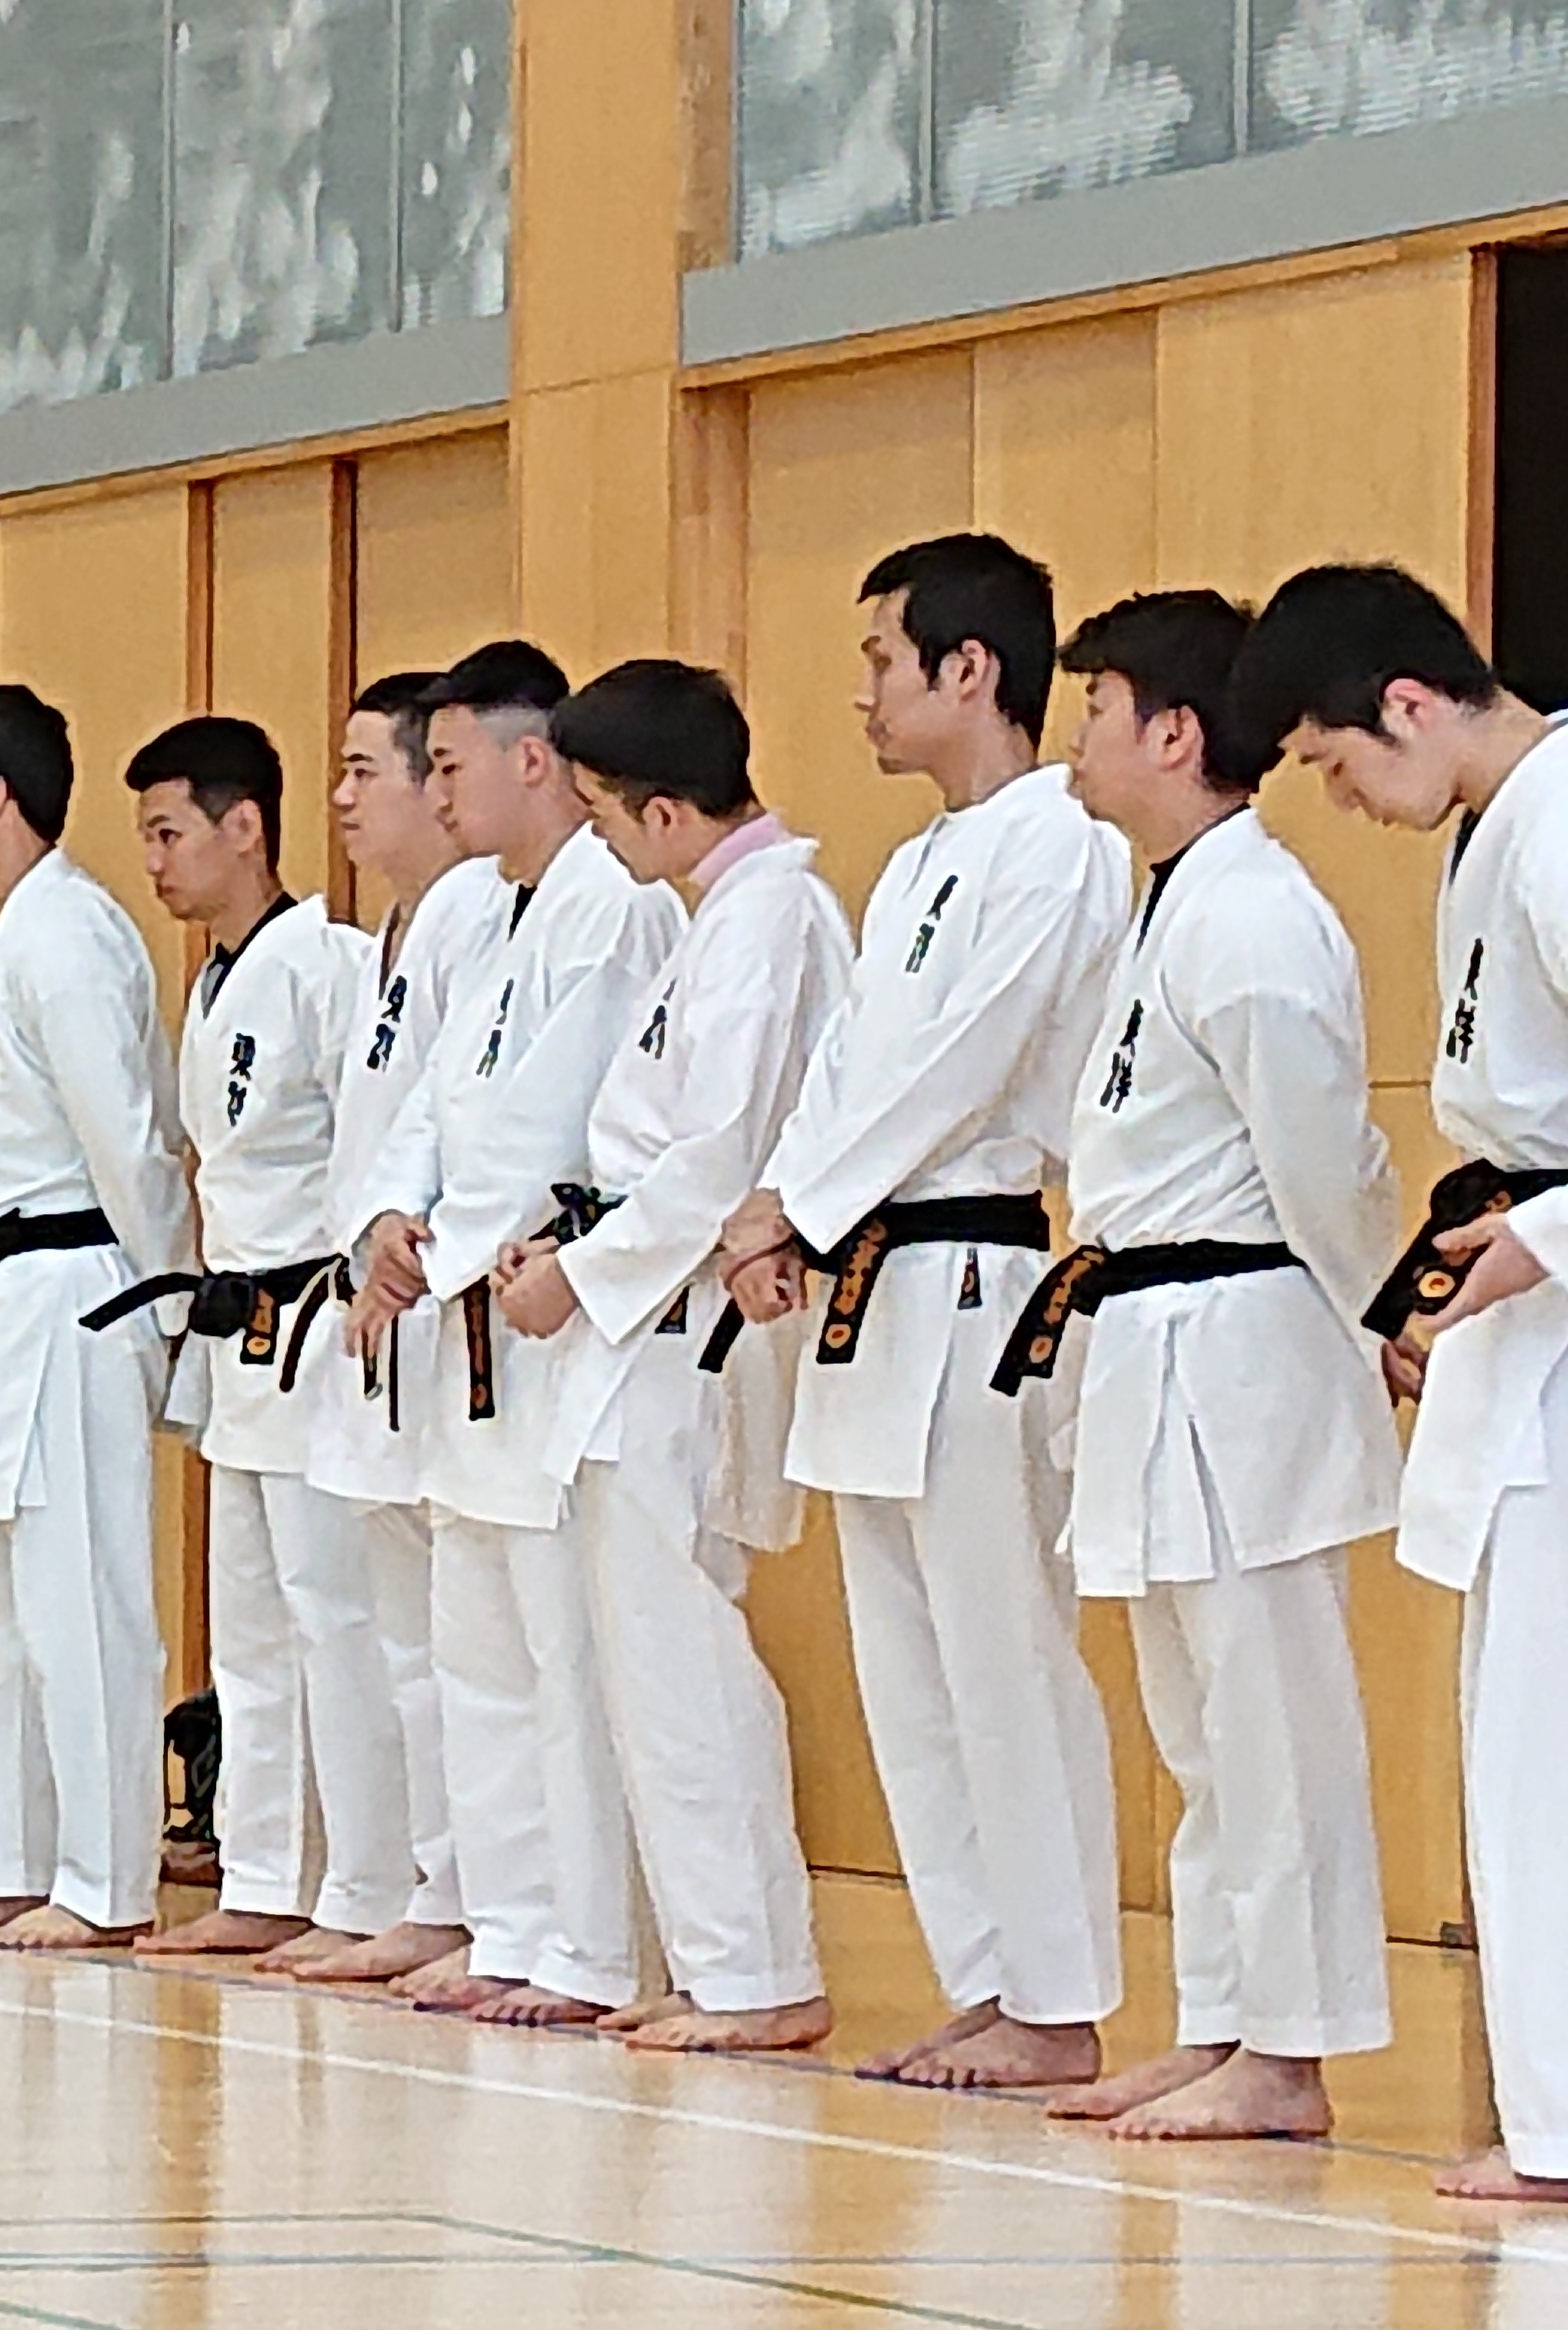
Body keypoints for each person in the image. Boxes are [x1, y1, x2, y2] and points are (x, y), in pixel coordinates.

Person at [716, 534, 1132, 2091]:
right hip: (869, 1284)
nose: (863, 695)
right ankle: (986, 1973)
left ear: (969, 669)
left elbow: (968, 1057)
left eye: (882, 662)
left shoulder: (1060, 841)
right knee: (906, 1662)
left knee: (1001, 1649)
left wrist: (798, 1206)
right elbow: (846, 1067)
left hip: (976, 1277)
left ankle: (1058, 1996)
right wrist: (782, 1201)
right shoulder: (908, 868)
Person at [1004, 591, 1397, 2137]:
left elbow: (1320, 1161)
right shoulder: (1168, 901)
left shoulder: (1253, 917)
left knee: (1269, 1714)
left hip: (1244, 1342)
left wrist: (1386, 1316)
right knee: (1197, 1719)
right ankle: (1224, 2018)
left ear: (1172, 733)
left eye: (1094, 711)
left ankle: (1289, 2054)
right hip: (1154, 1337)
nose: (1073, 742)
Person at [1230, 562, 1568, 2200]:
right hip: (1524, 1304)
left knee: (1535, 1740)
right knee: (1515, 1731)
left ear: (1409, 704)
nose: (1341, 800)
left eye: (1333, 760)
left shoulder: (1559, 823)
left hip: (1553, 1304)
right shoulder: (1500, 825)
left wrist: (1541, 1237)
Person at [494, 658, 845, 2053]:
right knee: (646, 1657)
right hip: (643, 1312)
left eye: (596, 812)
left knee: (683, 1650)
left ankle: (754, 1972)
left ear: (656, 811)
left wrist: (577, 1277)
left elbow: (714, 1157)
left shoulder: (769, 917)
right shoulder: (721, 917)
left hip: (688, 1320)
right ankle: (713, 1959)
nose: (591, 839)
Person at [348, 642, 684, 2025]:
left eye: (447, 764)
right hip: (465, 1312)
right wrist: (389, 1215)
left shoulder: (612, 904)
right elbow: (434, 1100)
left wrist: (447, 1247)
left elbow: (556, 1120)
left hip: (546, 1310)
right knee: (476, 1652)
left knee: (561, 1660)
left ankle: (588, 1945)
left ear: (529, 758)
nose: (433, 793)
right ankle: (508, 1924)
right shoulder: (481, 909)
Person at [0, 684, 196, 1951]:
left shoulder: (68, 932)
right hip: (4, 1290)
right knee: (8, 1614)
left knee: (84, 1600)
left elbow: (129, 1141)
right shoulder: (4, 935)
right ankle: (20, 1862)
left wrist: (166, 1306)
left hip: (81, 1285)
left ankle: (105, 1880)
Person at [113, 715, 369, 1962]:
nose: (154, 861)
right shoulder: (212, 987)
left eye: (170, 833)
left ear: (245, 826)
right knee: (252, 1627)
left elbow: (369, 1152)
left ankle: (360, 1883)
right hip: (239, 1336)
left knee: (335, 1614)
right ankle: (262, 1876)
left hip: (321, 1322)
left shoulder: (328, 964)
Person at [286, 673, 493, 1988]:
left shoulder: (471, 911)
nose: (344, 797)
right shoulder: (388, 935)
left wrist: (405, 1243)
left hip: (429, 1294)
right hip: (371, 1295)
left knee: (442, 1636)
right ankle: (417, 1882)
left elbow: (464, 1122)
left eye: (368, 770)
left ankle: (461, 1895)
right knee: (384, 1630)